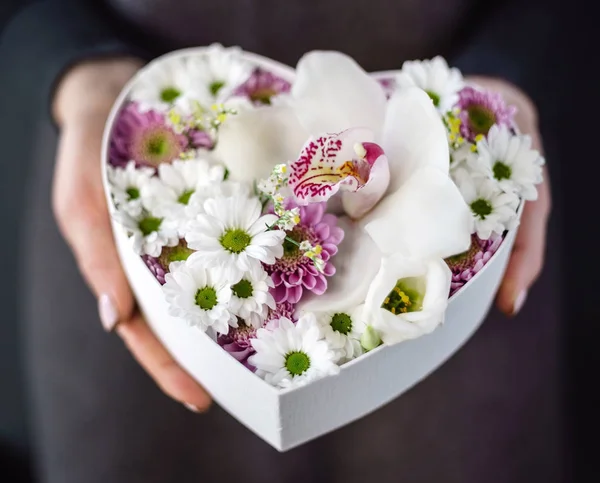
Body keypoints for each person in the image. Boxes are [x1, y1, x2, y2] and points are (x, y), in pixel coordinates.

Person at [1, 0, 559, 481]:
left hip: (453, 320)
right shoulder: (270, 156)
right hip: (147, 207)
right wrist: (80, 69)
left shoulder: (429, 200)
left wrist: (502, 73)